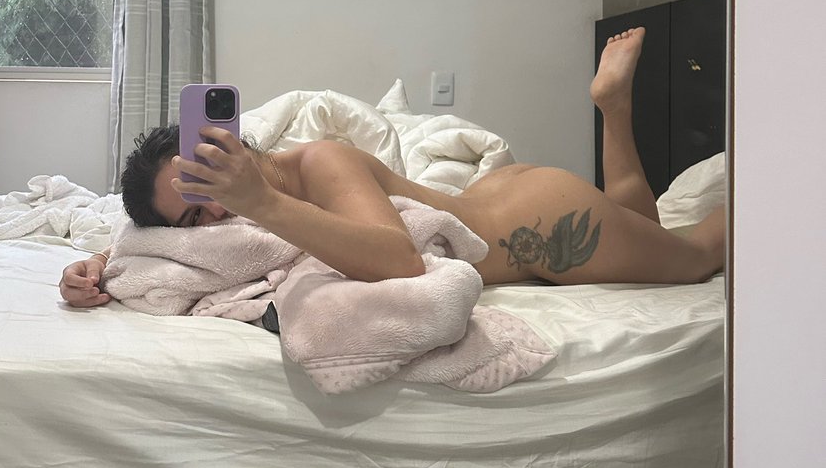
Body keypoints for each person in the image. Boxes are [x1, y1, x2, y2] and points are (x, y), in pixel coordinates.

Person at [59, 28, 725, 307]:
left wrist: (258, 200)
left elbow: (400, 260)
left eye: (206, 183)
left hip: (537, 223)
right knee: (645, 226)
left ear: (226, 145)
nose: (216, 211)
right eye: (194, 218)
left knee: (695, 256)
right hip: (499, 196)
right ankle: (613, 107)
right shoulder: (226, 222)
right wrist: (99, 262)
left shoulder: (318, 163)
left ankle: (766, 187)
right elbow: (168, 245)